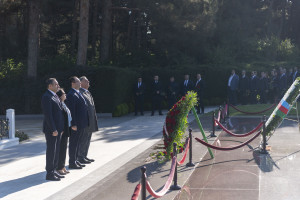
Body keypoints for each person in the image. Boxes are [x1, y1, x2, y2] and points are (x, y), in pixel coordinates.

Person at [41, 78, 64, 181]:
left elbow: (59, 113)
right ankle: (49, 173)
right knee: (51, 151)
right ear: (50, 86)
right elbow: (48, 115)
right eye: (56, 84)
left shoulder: (55, 96)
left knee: (56, 150)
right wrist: (54, 129)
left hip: (58, 129)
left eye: (58, 84)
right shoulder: (47, 96)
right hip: (51, 130)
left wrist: (60, 128)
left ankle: (54, 170)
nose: (58, 86)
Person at [66, 76, 89, 169]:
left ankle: (75, 160)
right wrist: (73, 124)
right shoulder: (71, 94)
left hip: (81, 123)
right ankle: (72, 162)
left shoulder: (78, 93)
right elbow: (72, 111)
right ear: (73, 83)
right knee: (74, 143)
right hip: (76, 124)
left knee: (78, 142)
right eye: (78, 82)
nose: (80, 83)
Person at [79, 76, 98, 163]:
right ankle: (80, 156)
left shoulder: (87, 92)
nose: (88, 82)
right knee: (83, 139)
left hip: (90, 121)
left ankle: (84, 155)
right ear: (81, 83)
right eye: (86, 81)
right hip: (85, 121)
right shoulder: (80, 93)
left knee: (87, 139)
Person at [56, 88, 71, 175]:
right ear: (60, 96)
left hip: (66, 128)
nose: (65, 95)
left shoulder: (63, 104)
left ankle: (62, 165)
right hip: (62, 129)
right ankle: (59, 167)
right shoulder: (59, 105)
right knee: (61, 148)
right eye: (64, 94)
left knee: (64, 148)